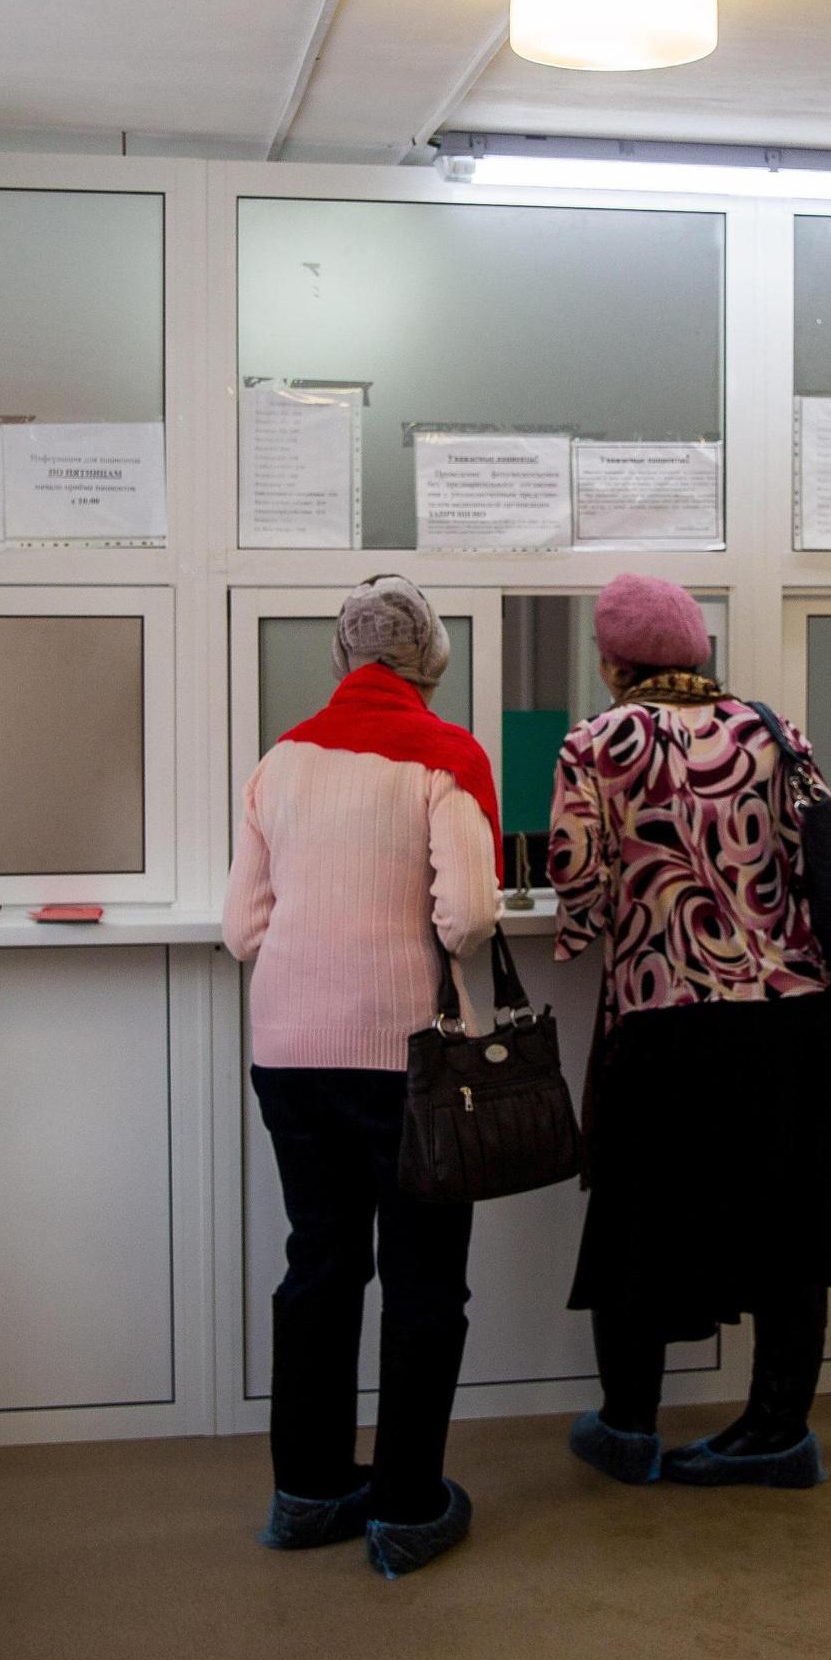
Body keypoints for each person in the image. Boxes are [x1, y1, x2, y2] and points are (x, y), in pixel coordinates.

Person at [549, 572, 831, 1490]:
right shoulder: (774, 733)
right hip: (796, 1020)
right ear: (698, 652)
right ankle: (778, 1433)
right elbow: (812, 862)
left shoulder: (597, 744)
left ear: (613, 662)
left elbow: (580, 891)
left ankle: (628, 1429)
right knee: (792, 1231)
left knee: (640, 1225)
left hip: (669, 1023)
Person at [225, 576, 500, 1578]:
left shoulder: (279, 762)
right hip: (406, 1060)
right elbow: (469, 916)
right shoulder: (446, 757)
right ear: (431, 662)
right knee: (424, 1279)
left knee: (321, 1263)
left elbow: (240, 930)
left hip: (288, 1053)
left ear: (342, 657)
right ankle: (408, 1507)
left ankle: (306, 1494)